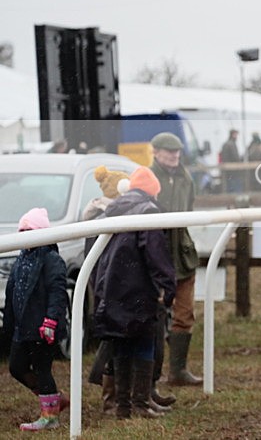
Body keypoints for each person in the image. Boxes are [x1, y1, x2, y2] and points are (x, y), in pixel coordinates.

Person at [93, 167, 176, 419]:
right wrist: (168, 284)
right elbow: (155, 253)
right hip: (138, 287)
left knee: (121, 345)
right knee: (143, 341)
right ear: (153, 190)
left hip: (111, 286)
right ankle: (141, 403)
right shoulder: (148, 211)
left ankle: (123, 407)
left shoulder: (112, 208)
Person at [5, 208, 69, 431]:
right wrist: (9, 325)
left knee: (43, 369)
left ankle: (50, 416)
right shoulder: (21, 259)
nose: (24, 235)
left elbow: (57, 291)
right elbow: (13, 293)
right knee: (16, 366)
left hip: (43, 327)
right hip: (23, 327)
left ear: (41, 233)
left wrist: (51, 320)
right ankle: (54, 400)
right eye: (21, 230)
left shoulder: (51, 260)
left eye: (29, 230)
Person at [149, 132, 203, 386]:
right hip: (155, 254)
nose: (174, 156)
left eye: (177, 151)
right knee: (154, 315)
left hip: (181, 254)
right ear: (156, 152)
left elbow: (188, 210)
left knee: (185, 314)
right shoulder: (149, 179)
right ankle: (151, 374)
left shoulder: (185, 178)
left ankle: (178, 371)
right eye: (169, 151)